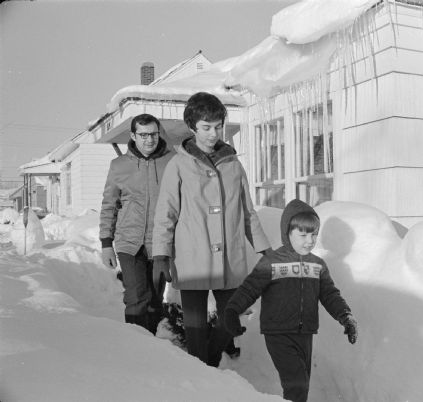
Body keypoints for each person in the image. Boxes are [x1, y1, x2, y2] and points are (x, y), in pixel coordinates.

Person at [152, 91, 271, 367]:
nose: (213, 133)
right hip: (192, 258)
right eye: (206, 127)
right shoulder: (178, 165)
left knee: (232, 319)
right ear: (192, 128)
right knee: (195, 331)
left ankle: (209, 361)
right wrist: (161, 255)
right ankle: (202, 377)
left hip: (229, 258)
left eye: (218, 126)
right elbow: (165, 213)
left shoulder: (233, 164)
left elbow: (247, 210)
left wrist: (265, 249)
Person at [223, 199, 358, 402]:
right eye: (303, 235)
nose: (309, 240)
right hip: (278, 334)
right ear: (287, 232)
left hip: (305, 334)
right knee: (297, 384)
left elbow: (330, 294)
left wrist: (345, 316)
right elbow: (250, 288)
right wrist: (233, 310)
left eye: (313, 234)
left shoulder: (317, 265)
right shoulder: (272, 262)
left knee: (301, 383)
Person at [99, 113, 174, 334]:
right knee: (136, 297)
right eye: (143, 135)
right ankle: (135, 351)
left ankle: (150, 350)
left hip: (160, 243)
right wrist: (106, 243)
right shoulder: (119, 166)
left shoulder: (172, 162)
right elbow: (109, 205)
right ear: (133, 135)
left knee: (155, 300)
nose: (149, 139)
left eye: (153, 134)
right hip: (129, 243)